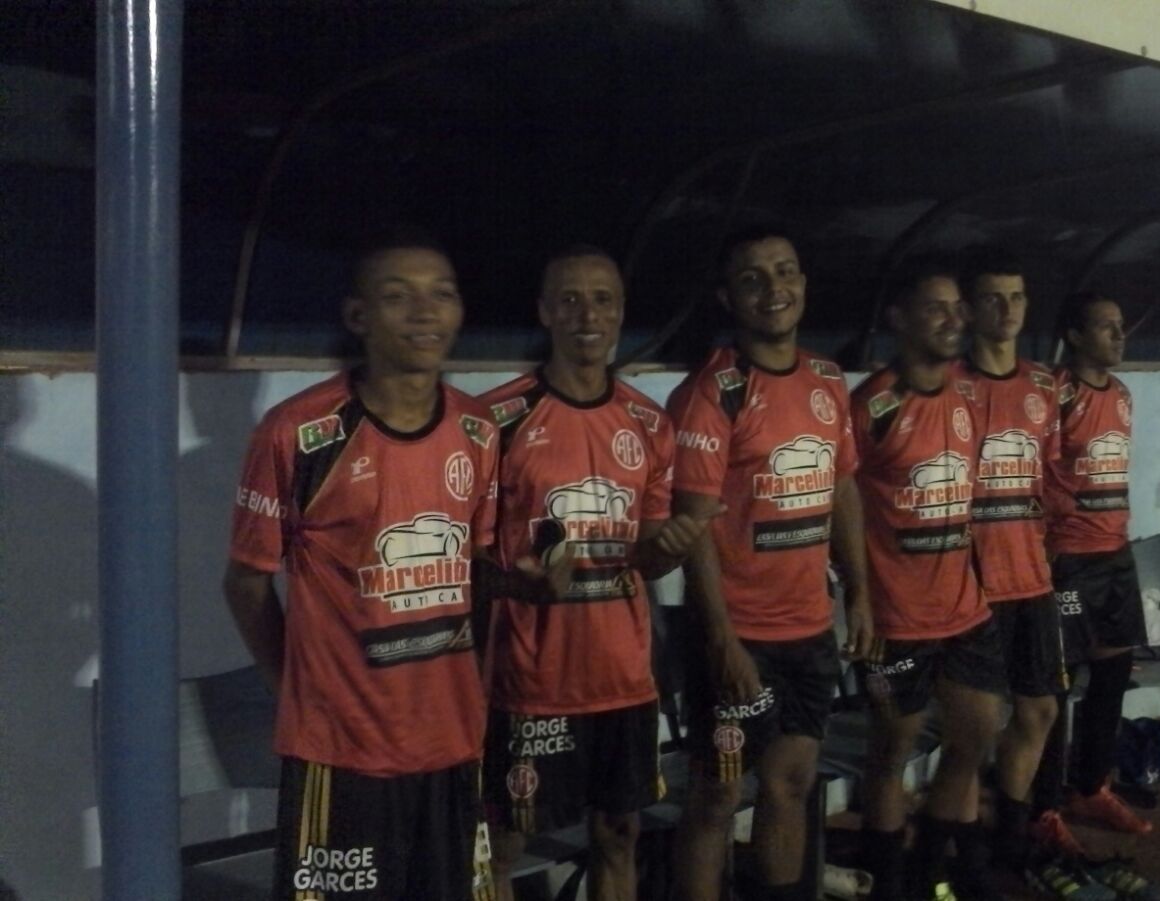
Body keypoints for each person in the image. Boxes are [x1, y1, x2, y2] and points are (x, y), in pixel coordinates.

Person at [225, 229, 499, 900]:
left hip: (451, 742)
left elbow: (477, 569)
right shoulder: (298, 432)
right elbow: (246, 584)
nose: (425, 311)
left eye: (442, 294)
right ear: (358, 316)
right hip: (342, 751)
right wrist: (299, 688)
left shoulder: (478, 429)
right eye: (399, 296)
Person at [476, 246, 711, 901]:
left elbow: (647, 556)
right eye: (571, 299)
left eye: (602, 299)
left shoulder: (648, 421)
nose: (588, 314)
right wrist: (516, 583)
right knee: (502, 847)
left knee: (619, 836)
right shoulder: (496, 420)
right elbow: (465, 563)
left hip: (623, 681)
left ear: (621, 312)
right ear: (545, 311)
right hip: (530, 684)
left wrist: (673, 546)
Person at [667, 226, 872, 901]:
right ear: (728, 297)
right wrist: (722, 641)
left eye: (785, 271)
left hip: (808, 631)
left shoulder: (827, 379)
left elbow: (842, 486)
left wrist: (859, 592)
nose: (774, 288)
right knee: (718, 794)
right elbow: (694, 527)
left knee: (792, 782)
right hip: (738, 635)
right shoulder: (713, 391)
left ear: (803, 283)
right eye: (753, 278)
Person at [851, 262, 1007, 901]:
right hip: (896, 618)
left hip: (965, 612)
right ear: (899, 318)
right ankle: (887, 882)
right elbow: (842, 501)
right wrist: (858, 593)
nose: (953, 320)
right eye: (936, 308)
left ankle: (930, 872)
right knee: (893, 754)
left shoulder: (968, 395)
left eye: (957, 308)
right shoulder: (874, 406)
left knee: (974, 740)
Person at [951, 251, 1073, 865]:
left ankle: (1011, 835)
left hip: (1031, 580)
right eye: (994, 298)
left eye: (1017, 296)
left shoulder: (1045, 385)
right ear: (969, 310)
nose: (1008, 309)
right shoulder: (949, 385)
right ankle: (965, 850)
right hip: (971, 586)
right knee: (973, 729)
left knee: (1041, 709)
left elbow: (1046, 475)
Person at [1037, 290, 1153, 838]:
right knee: (1055, 686)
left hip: (1115, 552)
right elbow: (1034, 472)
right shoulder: (1054, 393)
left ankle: (1091, 788)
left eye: (1121, 325)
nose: (1119, 336)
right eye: (1106, 326)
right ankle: (1042, 808)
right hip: (1067, 559)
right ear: (1075, 336)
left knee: (1112, 674)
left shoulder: (1123, 395)